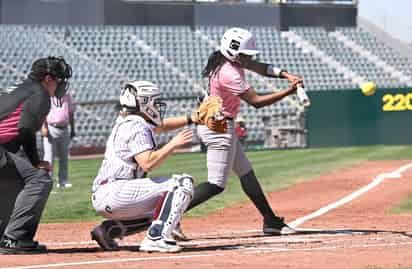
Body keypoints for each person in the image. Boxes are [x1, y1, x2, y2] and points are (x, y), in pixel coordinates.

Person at [177, 27, 303, 239]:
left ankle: (271, 221)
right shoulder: (229, 73)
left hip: (219, 123)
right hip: (217, 127)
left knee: (246, 173)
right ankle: (167, 216)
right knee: (216, 184)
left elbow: (260, 67)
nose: (249, 59)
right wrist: (288, 91)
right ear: (234, 52)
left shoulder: (226, 60)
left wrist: (285, 74)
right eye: (245, 54)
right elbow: (256, 102)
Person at [90, 80, 201, 253]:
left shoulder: (128, 121)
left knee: (162, 212)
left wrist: (191, 119)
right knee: (182, 183)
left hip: (107, 193)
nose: (157, 105)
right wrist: (173, 144)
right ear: (144, 103)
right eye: (154, 102)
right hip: (117, 191)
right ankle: (156, 237)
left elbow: (160, 127)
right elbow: (147, 163)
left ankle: (108, 230)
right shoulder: (136, 126)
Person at [0, 56, 72, 254]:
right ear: (48, 78)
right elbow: (25, 130)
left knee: (15, 179)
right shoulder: (40, 94)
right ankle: (15, 238)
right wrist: (36, 162)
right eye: (59, 79)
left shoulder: (19, 88)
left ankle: (3, 236)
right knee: (39, 180)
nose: (61, 84)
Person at [41, 93, 76, 188]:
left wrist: (73, 129)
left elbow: (71, 113)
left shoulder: (67, 96)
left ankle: (63, 180)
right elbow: (42, 112)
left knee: (64, 156)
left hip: (64, 128)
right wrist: (44, 127)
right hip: (51, 127)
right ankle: (47, 181)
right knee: (49, 157)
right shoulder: (48, 96)